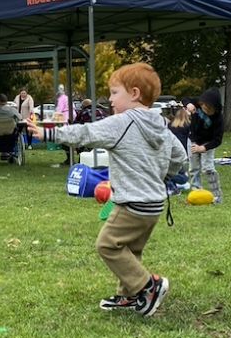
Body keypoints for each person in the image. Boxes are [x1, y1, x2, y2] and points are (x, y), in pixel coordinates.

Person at [27, 63, 186, 317]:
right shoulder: (160, 124)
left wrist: (49, 134)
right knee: (130, 250)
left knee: (108, 245)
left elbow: (87, 133)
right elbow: (179, 156)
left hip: (133, 202)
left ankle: (149, 286)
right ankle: (129, 296)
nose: (110, 99)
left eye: (114, 93)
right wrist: (164, 172)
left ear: (134, 93)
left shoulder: (122, 122)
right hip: (154, 204)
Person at [188, 88, 224, 203]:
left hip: (207, 143)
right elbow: (186, 99)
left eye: (209, 110)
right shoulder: (198, 103)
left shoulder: (218, 119)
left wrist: (204, 148)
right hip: (193, 140)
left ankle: (217, 195)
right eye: (204, 108)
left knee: (208, 168)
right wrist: (188, 104)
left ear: (216, 108)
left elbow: (218, 140)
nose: (206, 111)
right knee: (193, 168)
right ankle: (196, 192)